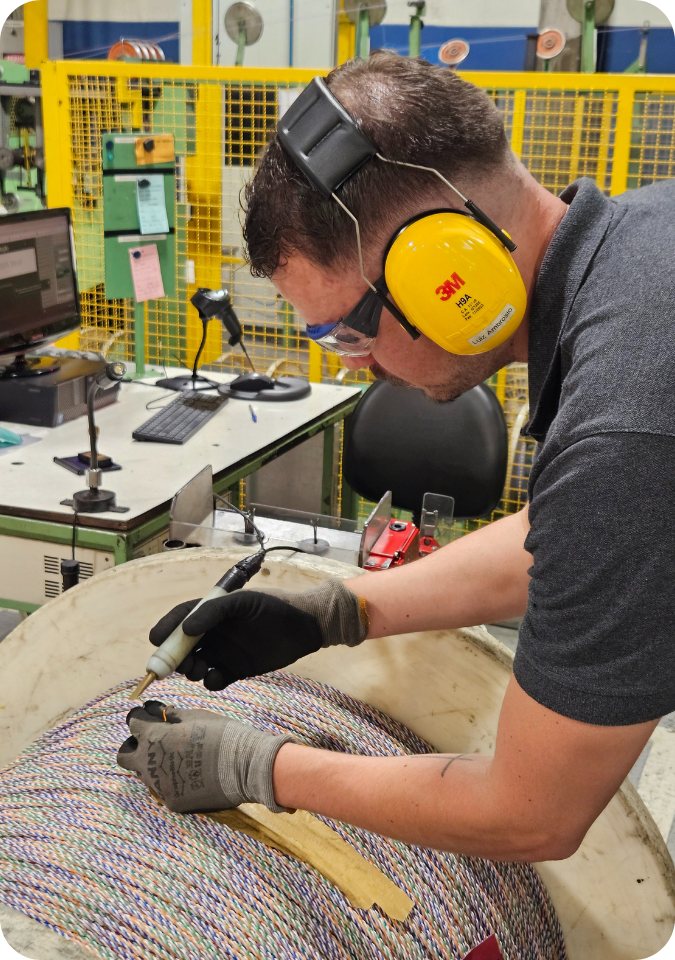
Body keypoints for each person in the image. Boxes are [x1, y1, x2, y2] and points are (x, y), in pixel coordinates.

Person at [119, 52, 675, 863]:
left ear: (447, 269)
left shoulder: (625, 427)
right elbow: (564, 538)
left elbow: (530, 815)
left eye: (348, 331)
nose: (360, 367)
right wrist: (332, 611)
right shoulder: (643, 238)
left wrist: (251, 765)